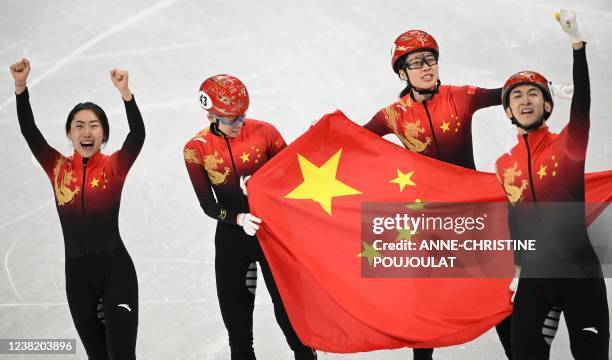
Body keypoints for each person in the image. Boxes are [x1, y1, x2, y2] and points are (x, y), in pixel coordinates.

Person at [363, 29, 516, 360]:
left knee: (495, 295)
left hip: (473, 215)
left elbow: (503, 93)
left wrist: (535, 86)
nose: (426, 67)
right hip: (430, 220)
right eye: (416, 62)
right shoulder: (394, 115)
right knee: (428, 305)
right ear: (402, 73)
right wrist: (324, 131)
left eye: (430, 59)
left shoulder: (460, 96)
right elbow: (353, 141)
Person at [11, 58, 144, 359]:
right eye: (79, 126)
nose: (87, 132)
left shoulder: (114, 167)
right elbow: (30, 131)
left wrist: (126, 94)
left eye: (94, 126)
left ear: (103, 135)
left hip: (116, 273)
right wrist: (21, 87)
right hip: (78, 277)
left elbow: (137, 136)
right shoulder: (57, 167)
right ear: (70, 134)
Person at [496, 9, 609, 359]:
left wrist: (577, 47)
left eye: (533, 94)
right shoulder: (504, 164)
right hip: (534, 277)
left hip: (579, 275)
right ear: (509, 112)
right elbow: (515, 218)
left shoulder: (569, 145)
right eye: (517, 97)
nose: (525, 101)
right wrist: (516, 268)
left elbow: (583, 105)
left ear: (547, 105)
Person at [183, 74, 317, 360]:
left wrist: (311, 143)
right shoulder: (196, 150)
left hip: (272, 235)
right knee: (239, 332)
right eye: (231, 119)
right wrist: (239, 218)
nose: (240, 123)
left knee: (291, 318)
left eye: (243, 115)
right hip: (233, 240)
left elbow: (294, 175)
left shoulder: (265, 132)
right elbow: (208, 205)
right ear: (211, 114)